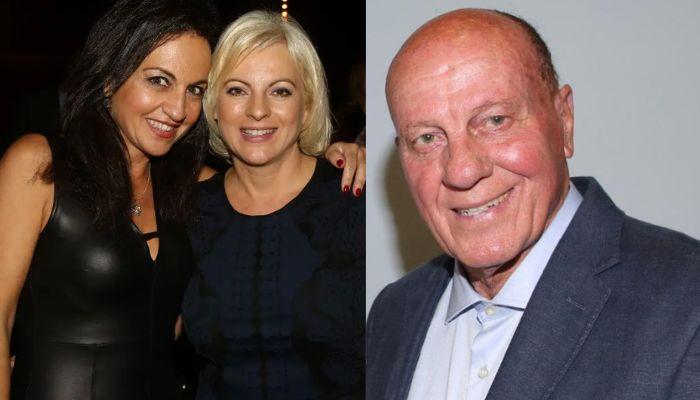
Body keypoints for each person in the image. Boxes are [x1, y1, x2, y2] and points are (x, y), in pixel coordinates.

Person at [0, 1, 364, 399]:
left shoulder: (191, 189)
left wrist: (341, 155)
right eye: (159, 80)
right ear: (109, 79)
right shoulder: (40, 165)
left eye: (194, 90)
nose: (177, 109)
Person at [367, 8, 700, 400]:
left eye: (494, 120)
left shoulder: (686, 301)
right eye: (426, 138)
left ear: (564, 120)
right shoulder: (392, 314)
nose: (462, 170)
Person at [182, 11, 365, 399]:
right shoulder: (188, 214)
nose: (258, 110)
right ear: (213, 106)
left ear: (307, 105)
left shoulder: (354, 203)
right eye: (237, 90)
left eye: (280, 91)